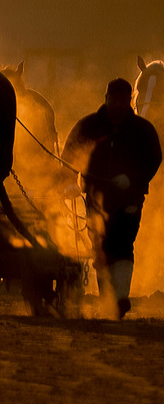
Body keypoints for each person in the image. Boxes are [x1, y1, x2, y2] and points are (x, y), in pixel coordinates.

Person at [62, 78, 162, 318]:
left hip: (130, 199)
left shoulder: (143, 130)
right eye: (112, 99)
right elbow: (70, 156)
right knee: (101, 247)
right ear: (105, 98)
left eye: (121, 100)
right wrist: (68, 183)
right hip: (96, 198)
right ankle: (109, 300)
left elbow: (154, 158)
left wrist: (133, 179)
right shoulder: (87, 126)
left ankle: (119, 298)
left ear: (128, 102)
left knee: (124, 243)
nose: (116, 104)